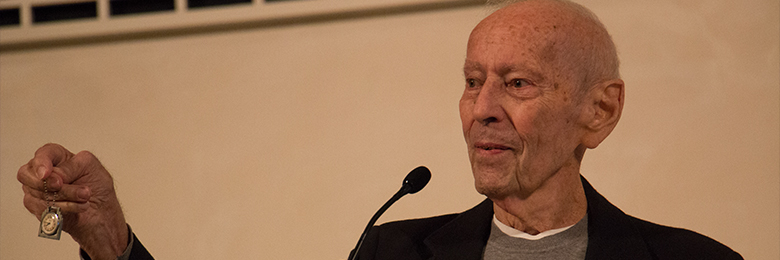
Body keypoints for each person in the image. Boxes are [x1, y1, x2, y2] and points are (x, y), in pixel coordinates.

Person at [18, 0, 741, 259]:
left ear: (599, 111)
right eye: (470, 81)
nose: (481, 108)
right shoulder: (394, 250)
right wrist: (112, 244)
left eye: (517, 83)